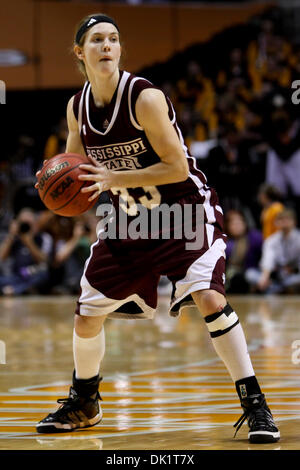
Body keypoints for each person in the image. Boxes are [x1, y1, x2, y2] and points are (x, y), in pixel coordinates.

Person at [35, 14, 279, 443]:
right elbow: (79, 174)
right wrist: (60, 187)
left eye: (113, 39)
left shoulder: (144, 97)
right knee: (87, 316)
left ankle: (255, 404)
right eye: (96, 40)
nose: (107, 46)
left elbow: (176, 166)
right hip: (127, 219)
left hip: (182, 210)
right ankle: (85, 401)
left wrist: (113, 179)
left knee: (208, 297)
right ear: (80, 52)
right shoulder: (77, 108)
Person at [0, 208, 53, 295]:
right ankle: (21, 289)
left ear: (35, 223)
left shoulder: (43, 237)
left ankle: (14, 290)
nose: (26, 227)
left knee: (44, 276)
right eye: (23, 224)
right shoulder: (14, 239)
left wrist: (29, 242)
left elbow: (44, 261)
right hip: (16, 276)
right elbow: (1, 257)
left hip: (35, 274)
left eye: (28, 224)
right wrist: (11, 235)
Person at [248, 209, 300, 294]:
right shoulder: (271, 240)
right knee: (250, 274)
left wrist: (293, 269)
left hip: (293, 276)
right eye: (282, 220)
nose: (285, 222)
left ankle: (278, 289)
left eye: (288, 219)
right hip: (275, 277)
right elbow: (268, 260)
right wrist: (265, 278)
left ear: (294, 222)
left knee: (294, 280)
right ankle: (278, 288)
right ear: (276, 222)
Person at [224, 210, 262, 293]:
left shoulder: (255, 237)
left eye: (239, 222)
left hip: (253, 273)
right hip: (231, 275)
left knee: (251, 274)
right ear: (228, 226)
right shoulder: (224, 242)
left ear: (245, 223)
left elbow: (264, 256)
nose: (237, 226)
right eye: (233, 224)